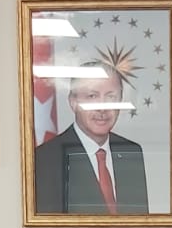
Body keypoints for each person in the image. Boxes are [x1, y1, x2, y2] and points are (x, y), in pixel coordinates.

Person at [32, 71, 150, 215]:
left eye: (111, 97)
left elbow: (140, 222)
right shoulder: (44, 159)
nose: (102, 108)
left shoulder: (131, 152)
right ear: (73, 102)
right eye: (92, 96)